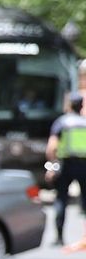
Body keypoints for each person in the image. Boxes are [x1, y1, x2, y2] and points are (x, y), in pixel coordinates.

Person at [48, 93, 86, 246]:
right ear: (81, 106)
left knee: (61, 200)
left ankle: (59, 238)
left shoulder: (62, 123)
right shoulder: (85, 123)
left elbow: (51, 148)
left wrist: (51, 167)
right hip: (84, 165)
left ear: (69, 105)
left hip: (66, 165)